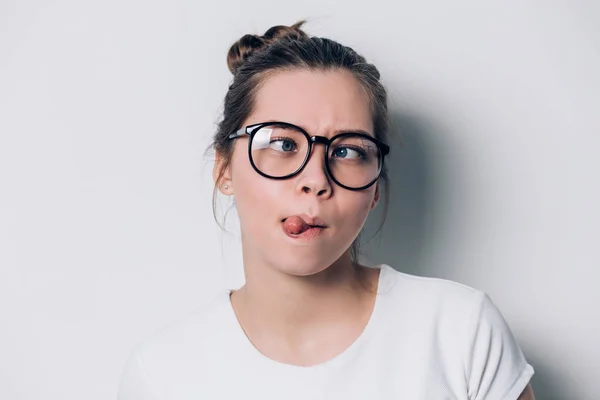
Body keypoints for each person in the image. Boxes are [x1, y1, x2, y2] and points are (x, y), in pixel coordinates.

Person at [118, 21, 535, 399]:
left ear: (374, 188)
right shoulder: (163, 375)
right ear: (225, 169)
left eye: (349, 151)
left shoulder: (462, 334)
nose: (316, 179)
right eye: (282, 144)